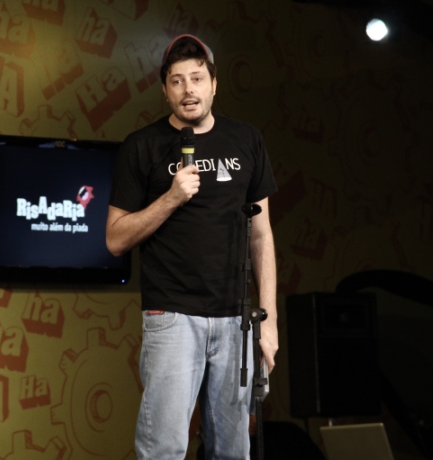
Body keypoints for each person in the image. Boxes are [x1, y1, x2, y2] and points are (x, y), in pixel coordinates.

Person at [106, 34, 278, 459]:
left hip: (236, 319)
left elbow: (262, 235)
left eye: (197, 78)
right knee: (164, 448)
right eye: (178, 81)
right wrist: (170, 198)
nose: (189, 90)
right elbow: (114, 239)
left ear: (214, 84)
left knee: (233, 451)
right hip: (172, 317)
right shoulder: (141, 146)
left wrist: (268, 323)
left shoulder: (247, 140)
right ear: (165, 90)